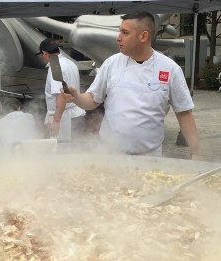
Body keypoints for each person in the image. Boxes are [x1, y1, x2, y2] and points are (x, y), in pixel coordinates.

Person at [62, 12, 201, 158]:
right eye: (119, 31)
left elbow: (184, 113)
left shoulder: (170, 69)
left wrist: (195, 152)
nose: (118, 37)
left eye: (125, 32)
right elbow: (92, 99)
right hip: (110, 155)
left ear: (143, 36)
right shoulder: (111, 63)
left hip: (149, 158)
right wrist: (77, 97)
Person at [40, 38, 86, 143]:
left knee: (63, 155)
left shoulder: (55, 67)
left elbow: (61, 95)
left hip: (66, 120)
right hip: (76, 115)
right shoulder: (70, 63)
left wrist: (56, 121)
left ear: (45, 53)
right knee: (78, 152)